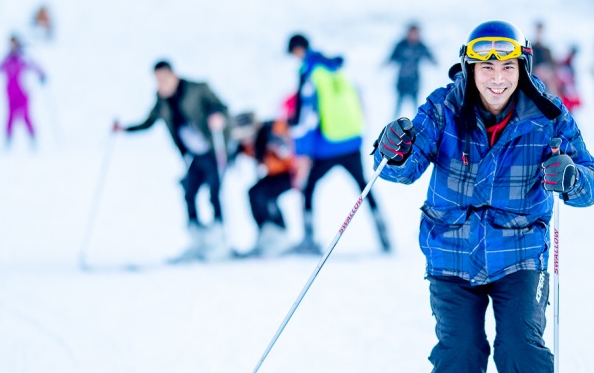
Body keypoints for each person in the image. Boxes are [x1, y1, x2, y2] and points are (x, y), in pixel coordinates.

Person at [370, 20, 594, 373]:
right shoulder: (443, 107)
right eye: (486, 67)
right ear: (470, 68)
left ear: (521, 66)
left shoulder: (549, 116)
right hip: (452, 252)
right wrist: (394, 149)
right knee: (459, 351)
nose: (497, 78)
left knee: (521, 346)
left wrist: (571, 179)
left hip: (519, 254)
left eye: (506, 67)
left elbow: (593, 184)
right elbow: (402, 169)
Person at [114, 61, 231, 262]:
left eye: (164, 79)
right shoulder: (162, 101)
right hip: (193, 155)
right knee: (189, 192)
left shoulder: (197, 88)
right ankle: (197, 239)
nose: (162, 84)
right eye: (158, 80)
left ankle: (220, 239)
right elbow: (148, 122)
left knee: (214, 192)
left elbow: (220, 106)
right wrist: (125, 129)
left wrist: (216, 115)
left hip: (212, 149)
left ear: (174, 76)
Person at [287, 34, 390, 254]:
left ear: (298, 50)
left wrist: (301, 150)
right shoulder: (335, 68)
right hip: (351, 140)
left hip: (328, 144)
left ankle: (308, 236)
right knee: (364, 186)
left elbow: (307, 116)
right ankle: (383, 231)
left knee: (309, 187)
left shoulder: (310, 73)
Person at [241, 117, 296, 256]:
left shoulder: (270, 133)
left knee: (262, 194)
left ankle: (276, 233)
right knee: (255, 193)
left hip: (290, 173)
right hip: (274, 174)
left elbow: (289, 152)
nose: (244, 140)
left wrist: (277, 145)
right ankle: (267, 230)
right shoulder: (252, 143)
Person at [0, 35, 46, 147]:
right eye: (11, 44)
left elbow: (34, 66)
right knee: (10, 117)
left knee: (26, 116)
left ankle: (33, 140)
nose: (12, 46)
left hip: (22, 92)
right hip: (10, 94)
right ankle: (8, 141)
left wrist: (41, 74)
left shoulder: (22, 59)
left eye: (14, 44)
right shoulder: (7, 60)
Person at [385, 23, 436, 116]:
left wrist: (434, 62)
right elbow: (392, 57)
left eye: (415, 33)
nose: (413, 35)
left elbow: (430, 57)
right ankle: (394, 124)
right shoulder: (401, 45)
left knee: (415, 106)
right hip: (402, 80)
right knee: (398, 106)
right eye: (412, 33)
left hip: (414, 81)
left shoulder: (420, 46)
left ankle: (416, 125)